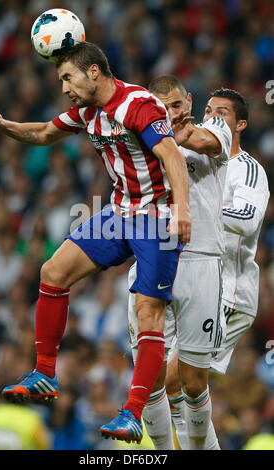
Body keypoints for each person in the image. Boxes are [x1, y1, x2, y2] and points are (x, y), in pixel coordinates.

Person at [0, 41, 191, 444]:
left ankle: (132, 414)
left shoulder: (139, 105)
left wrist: (181, 211)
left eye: (67, 77)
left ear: (94, 72)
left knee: (149, 315)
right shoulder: (86, 112)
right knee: (52, 272)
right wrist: (5, 125)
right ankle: (44, 372)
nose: (63, 88)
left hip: (156, 218)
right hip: (119, 212)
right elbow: (43, 133)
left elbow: (173, 158)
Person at [127, 76, 232, 450]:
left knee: (192, 380)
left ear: (189, 100)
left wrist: (160, 129)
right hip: (152, 255)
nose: (171, 113)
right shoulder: (139, 137)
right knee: (150, 374)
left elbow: (200, 141)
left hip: (201, 260)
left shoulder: (214, 125)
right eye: (161, 108)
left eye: (176, 105)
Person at [165, 88, 270, 450]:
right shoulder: (195, 162)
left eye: (222, 113)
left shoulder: (249, 170)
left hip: (231, 290)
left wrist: (204, 213)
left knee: (173, 379)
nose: (212, 116)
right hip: (197, 283)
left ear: (240, 124)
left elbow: (249, 218)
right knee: (181, 386)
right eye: (208, 109)